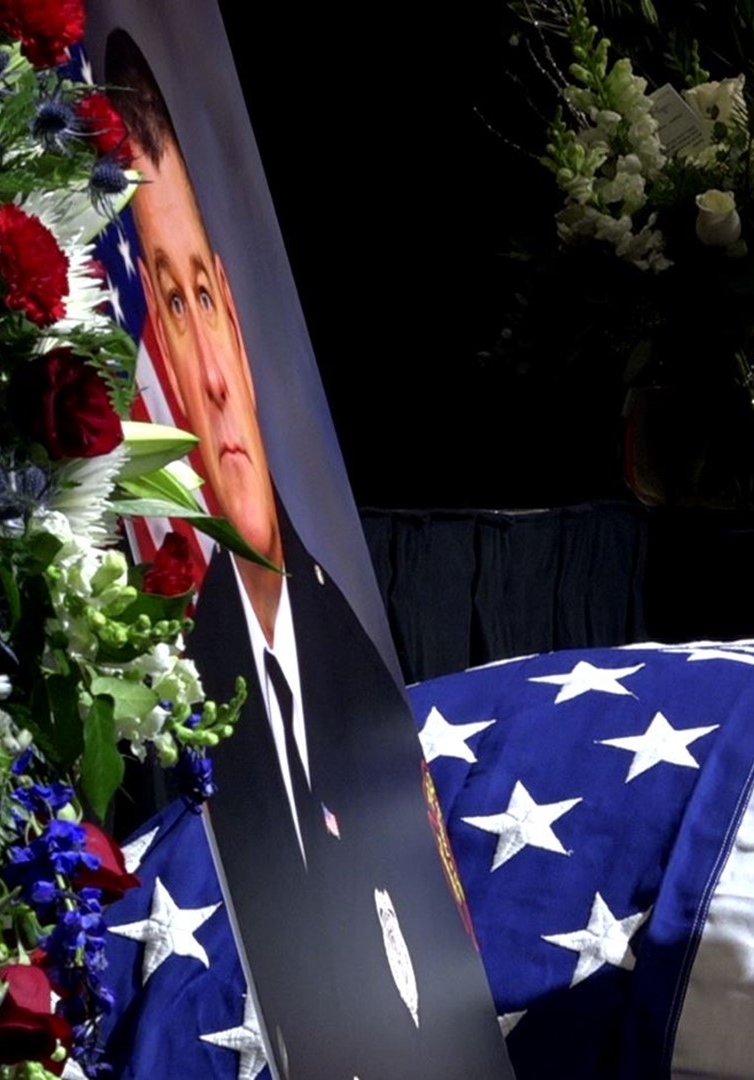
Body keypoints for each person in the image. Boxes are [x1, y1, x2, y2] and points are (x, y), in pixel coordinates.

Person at [101, 29, 509, 1080]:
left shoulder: (351, 664)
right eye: (163, 306)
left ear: (238, 316)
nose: (214, 379)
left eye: (202, 298)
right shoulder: (161, 697)